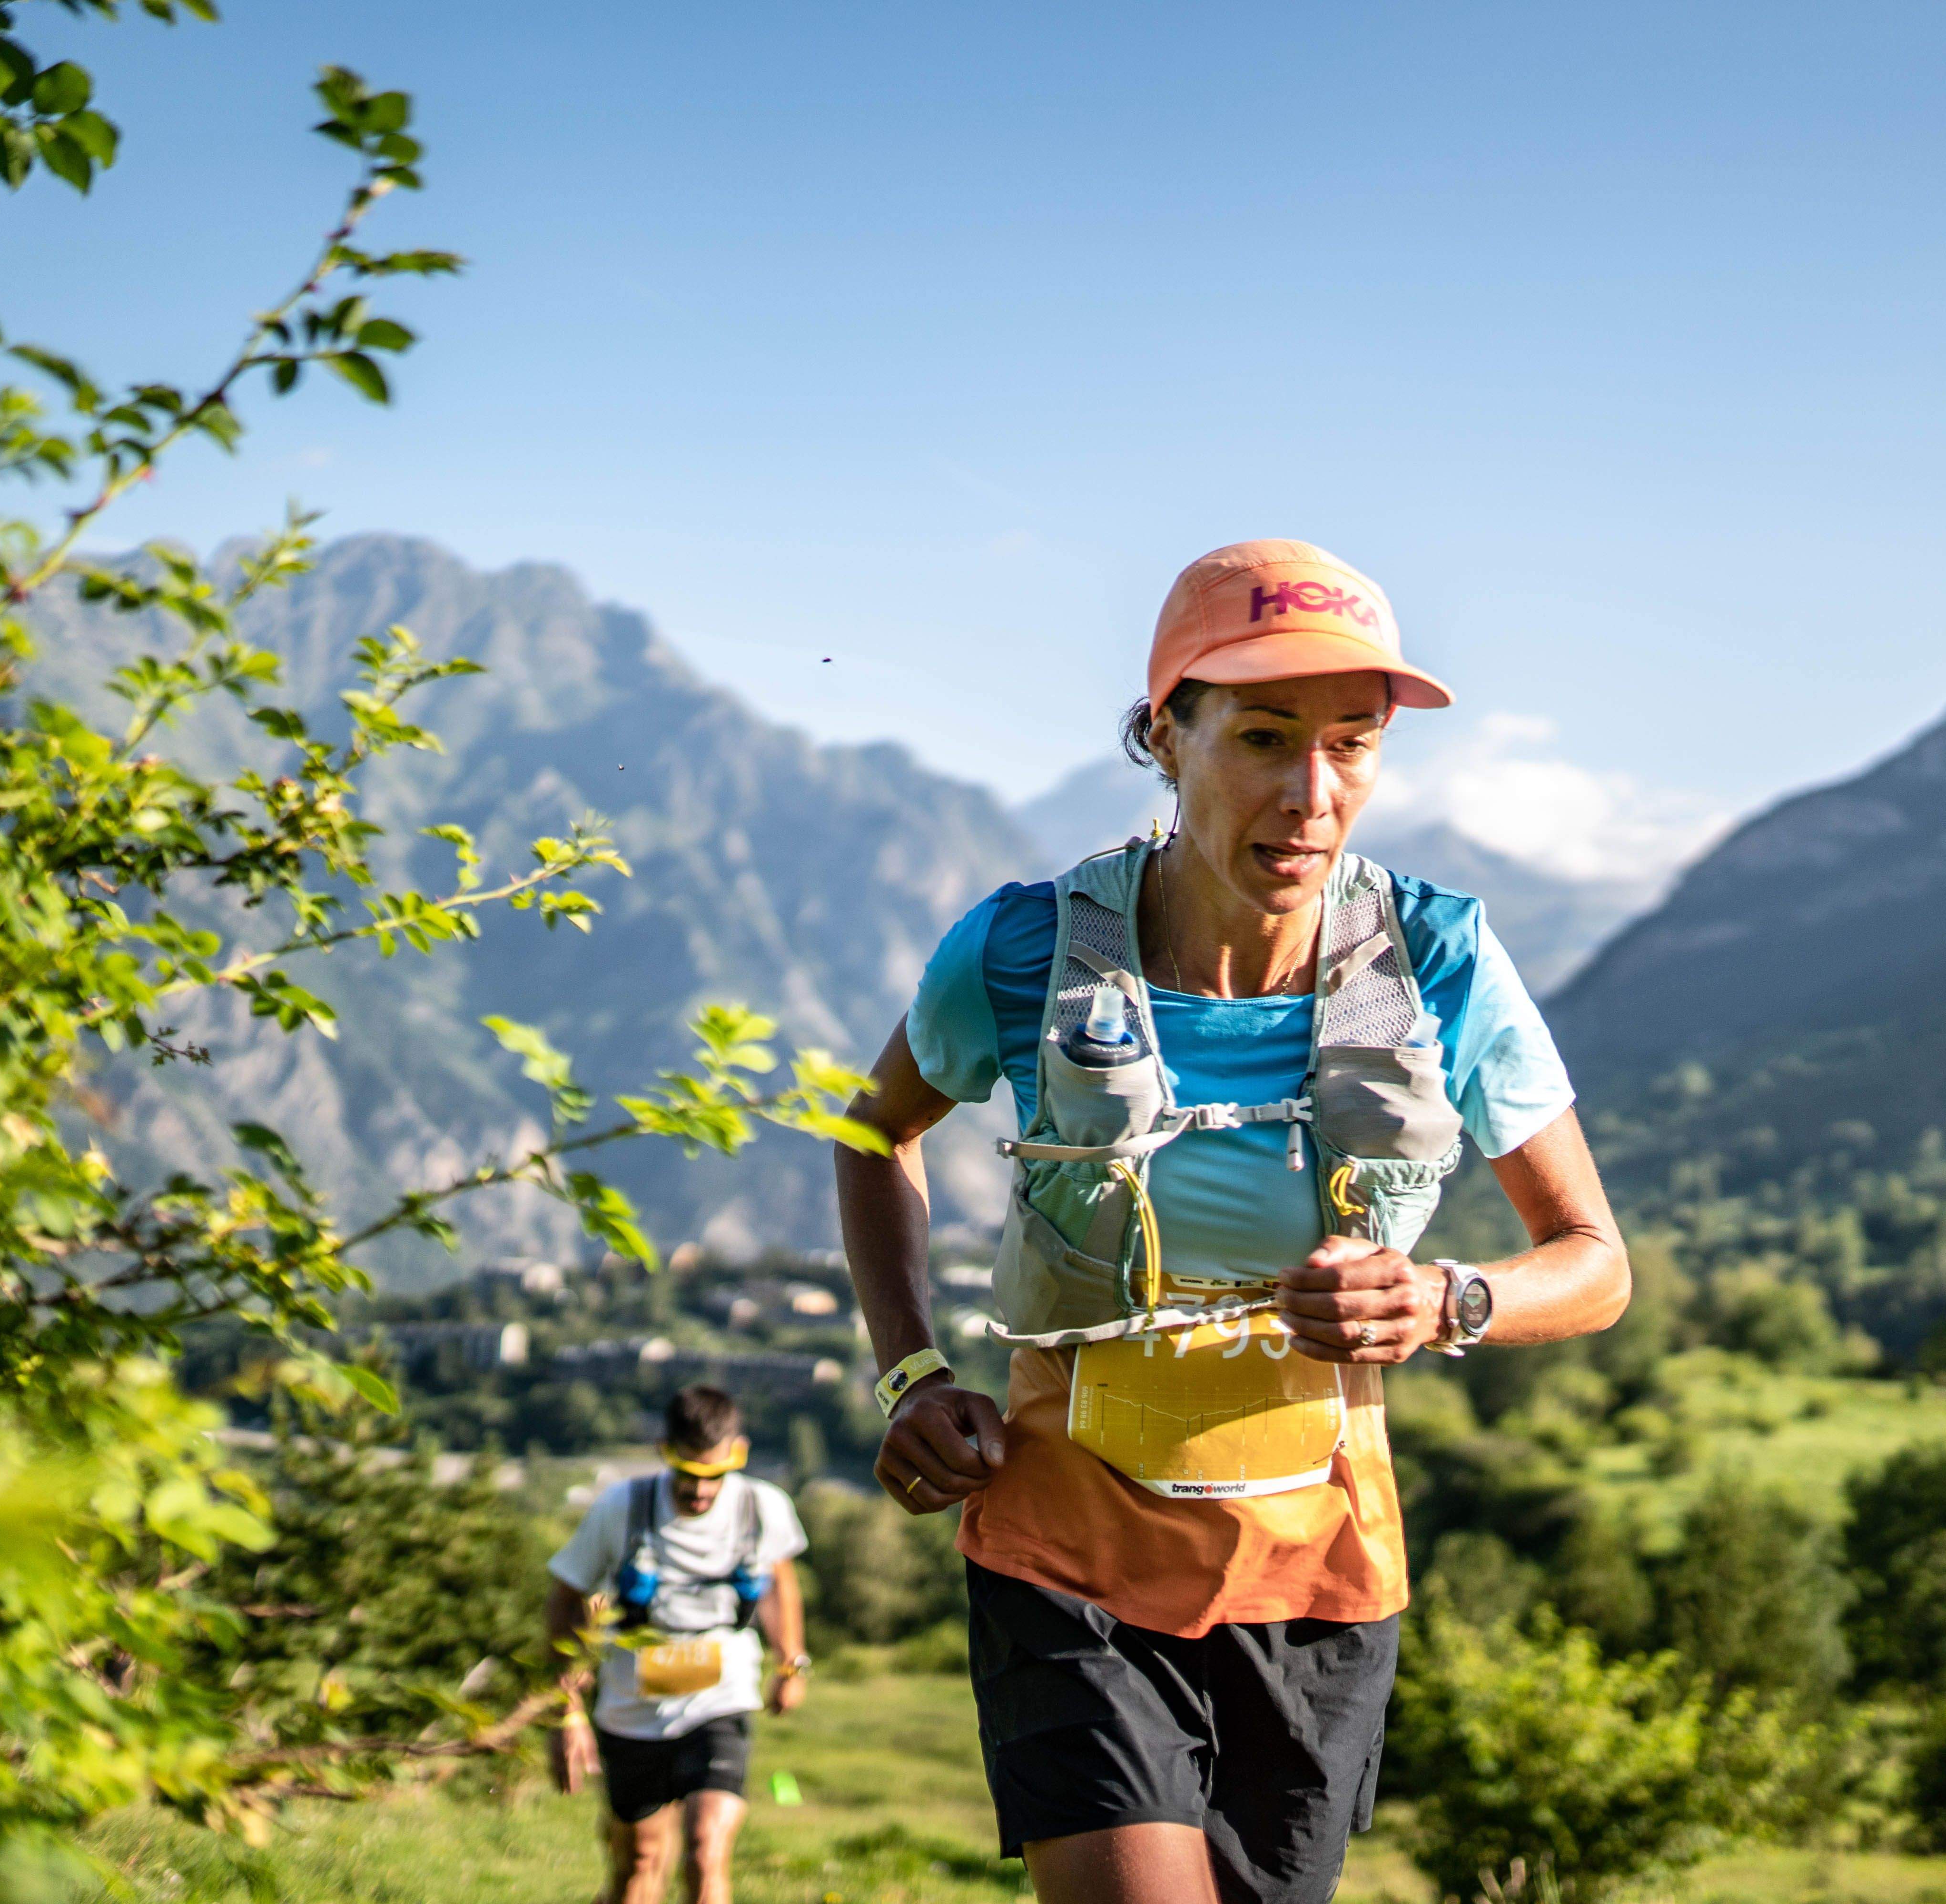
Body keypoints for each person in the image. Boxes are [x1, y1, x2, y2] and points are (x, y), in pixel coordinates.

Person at [831, 539, 1632, 1904]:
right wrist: (910, 1372)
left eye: (1354, 745)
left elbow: (1595, 1267)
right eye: (1264, 738)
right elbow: (872, 1133)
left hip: (1319, 1573)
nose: (1313, 794)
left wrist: (1448, 1301)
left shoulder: (1439, 958)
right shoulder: (1023, 953)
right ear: (1165, 735)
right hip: (1064, 1554)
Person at [545, 1384, 812, 1904]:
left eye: (713, 1476)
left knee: (705, 1849)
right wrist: (566, 1709)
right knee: (638, 1864)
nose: (699, 1491)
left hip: (722, 1698)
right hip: (632, 1710)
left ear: (739, 1455)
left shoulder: (763, 1506)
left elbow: (778, 1581)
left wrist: (791, 1663)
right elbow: (565, 1596)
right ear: (664, 1451)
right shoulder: (621, 1507)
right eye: (688, 1473)